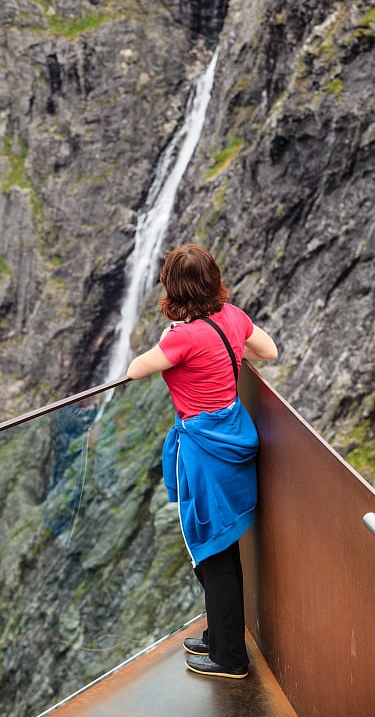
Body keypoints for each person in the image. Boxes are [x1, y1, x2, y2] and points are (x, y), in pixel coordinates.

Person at [126, 243, 278, 679]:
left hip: (205, 455)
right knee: (223, 549)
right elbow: (268, 351)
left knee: (210, 552)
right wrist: (229, 347)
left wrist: (176, 336)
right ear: (213, 280)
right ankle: (220, 635)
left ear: (172, 288)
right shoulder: (231, 317)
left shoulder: (181, 338)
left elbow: (138, 368)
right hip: (233, 436)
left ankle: (230, 658)